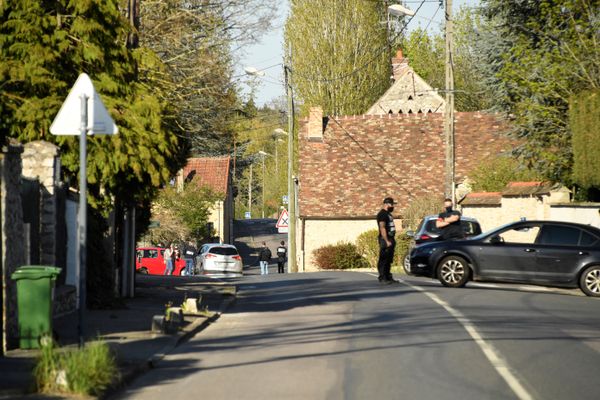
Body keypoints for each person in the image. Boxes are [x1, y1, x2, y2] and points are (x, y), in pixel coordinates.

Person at [376, 197, 399, 284]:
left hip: (391, 238)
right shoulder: (382, 214)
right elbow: (382, 228)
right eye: (392, 204)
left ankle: (388, 276)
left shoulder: (388, 214)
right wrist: (386, 241)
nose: (393, 206)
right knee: (384, 259)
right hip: (385, 239)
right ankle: (382, 278)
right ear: (387, 204)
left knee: (389, 259)